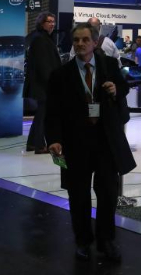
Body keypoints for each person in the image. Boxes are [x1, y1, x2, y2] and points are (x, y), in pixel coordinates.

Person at [46, 23, 135, 262]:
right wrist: (53, 139)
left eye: (85, 40)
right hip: (76, 143)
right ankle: (83, 240)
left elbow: (124, 87)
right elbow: (52, 111)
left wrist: (116, 89)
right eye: (76, 40)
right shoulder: (61, 75)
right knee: (78, 195)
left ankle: (106, 240)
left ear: (95, 42)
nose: (80, 44)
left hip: (106, 141)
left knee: (107, 194)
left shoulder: (109, 65)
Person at [23, 12, 61, 154]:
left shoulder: (42, 38)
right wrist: (52, 83)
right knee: (43, 115)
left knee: (41, 114)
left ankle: (32, 143)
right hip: (43, 85)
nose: (52, 24)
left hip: (42, 84)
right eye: (49, 21)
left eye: (53, 21)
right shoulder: (40, 39)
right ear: (41, 23)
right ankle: (39, 146)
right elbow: (43, 65)